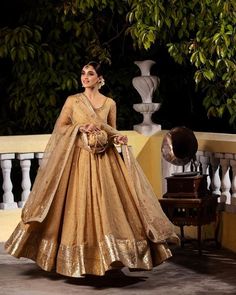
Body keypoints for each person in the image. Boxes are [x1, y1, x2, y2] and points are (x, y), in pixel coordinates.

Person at [5, 61, 179, 277]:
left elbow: (110, 129)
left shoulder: (109, 103)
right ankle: (74, 261)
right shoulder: (73, 101)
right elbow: (60, 127)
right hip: (77, 160)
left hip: (106, 161)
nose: (85, 77)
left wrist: (119, 137)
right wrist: (80, 127)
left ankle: (109, 257)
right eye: (83, 73)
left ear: (100, 79)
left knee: (110, 209)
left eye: (90, 74)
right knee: (75, 207)